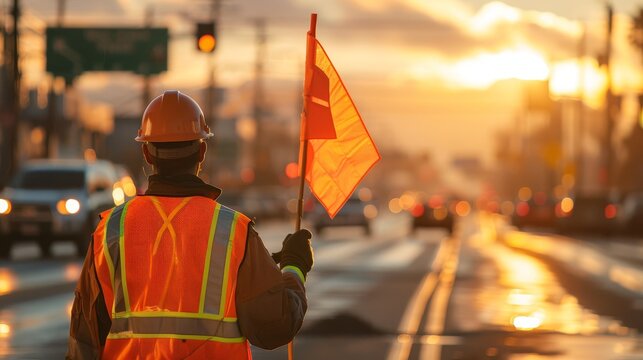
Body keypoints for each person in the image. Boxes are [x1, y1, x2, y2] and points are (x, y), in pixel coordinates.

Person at [67, 90, 314, 359]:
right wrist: (294, 266)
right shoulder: (233, 232)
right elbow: (275, 327)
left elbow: (84, 342)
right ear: (202, 151)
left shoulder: (110, 231)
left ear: (147, 154)